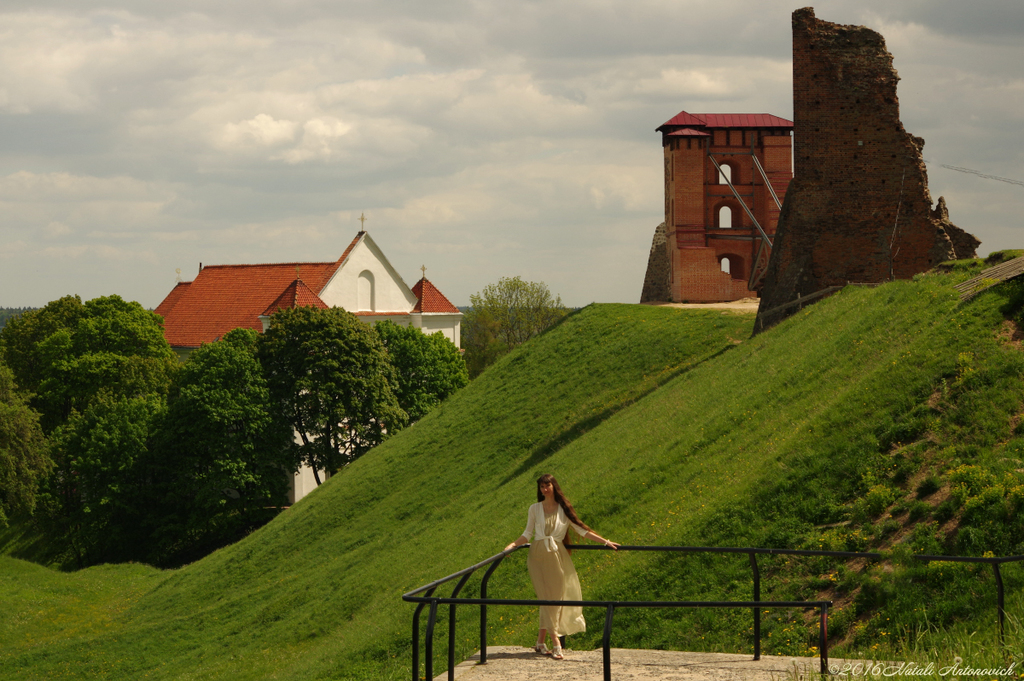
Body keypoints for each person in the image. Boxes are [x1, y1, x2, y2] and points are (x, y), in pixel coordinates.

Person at [504, 474, 619, 660]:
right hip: (537, 555)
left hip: (556, 554)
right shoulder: (534, 508)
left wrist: (605, 542)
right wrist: (512, 545)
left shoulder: (563, 509)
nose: (544, 489)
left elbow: (581, 530)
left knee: (555, 597)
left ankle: (546, 639)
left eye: (547, 485)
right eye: (541, 486)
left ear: (554, 486)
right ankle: (552, 641)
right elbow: (527, 534)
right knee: (544, 596)